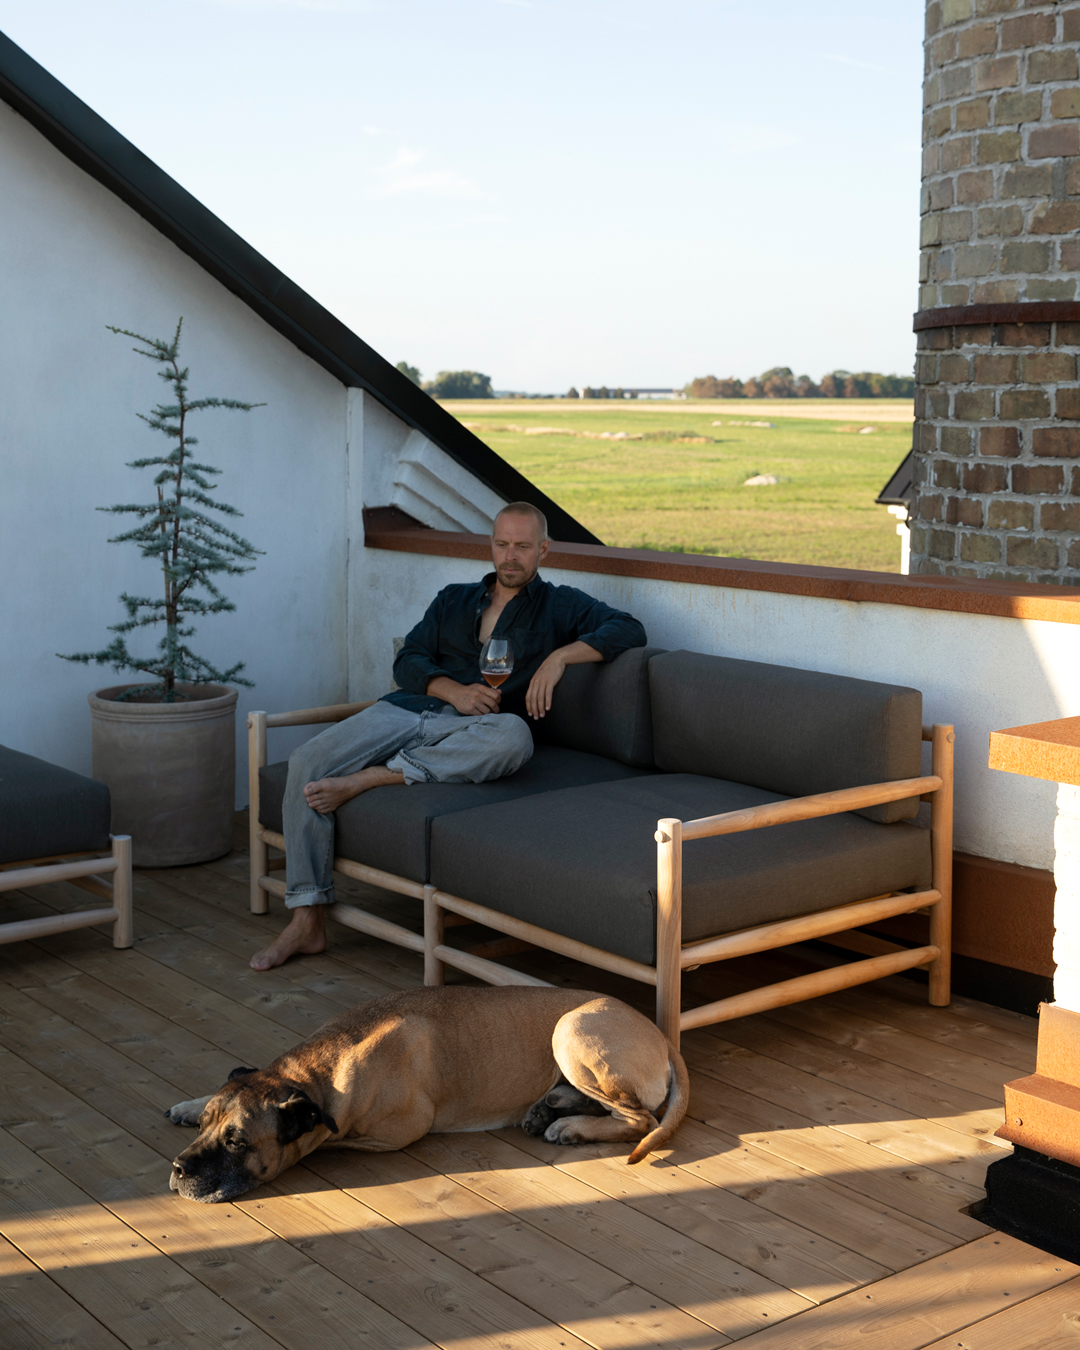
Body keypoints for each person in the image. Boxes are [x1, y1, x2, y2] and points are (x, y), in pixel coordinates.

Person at [250, 501, 646, 970]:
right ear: (491, 546)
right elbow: (409, 660)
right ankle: (306, 921)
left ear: (543, 550)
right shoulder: (453, 599)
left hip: (477, 731)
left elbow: (629, 628)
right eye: (502, 545)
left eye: (522, 546)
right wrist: (453, 690)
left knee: (515, 738)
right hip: (407, 712)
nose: (510, 557)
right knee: (306, 763)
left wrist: (560, 658)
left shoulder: (560, 605)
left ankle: (373, 778)